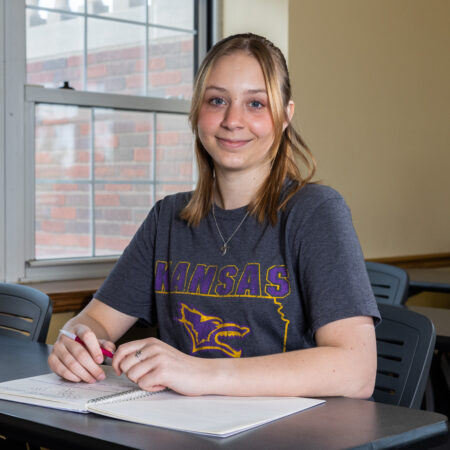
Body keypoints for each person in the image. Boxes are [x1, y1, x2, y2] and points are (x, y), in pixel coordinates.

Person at [48, 33, 380, 399]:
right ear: (197, 113)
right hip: (183, 430)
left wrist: (202, 373)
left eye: (256, 103)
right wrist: (74, 341)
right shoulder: (167, 219)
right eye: (217, 100)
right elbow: (95, 321)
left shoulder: (315, 212)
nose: (233, 120)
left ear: (286, 117)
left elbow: (356, 370)